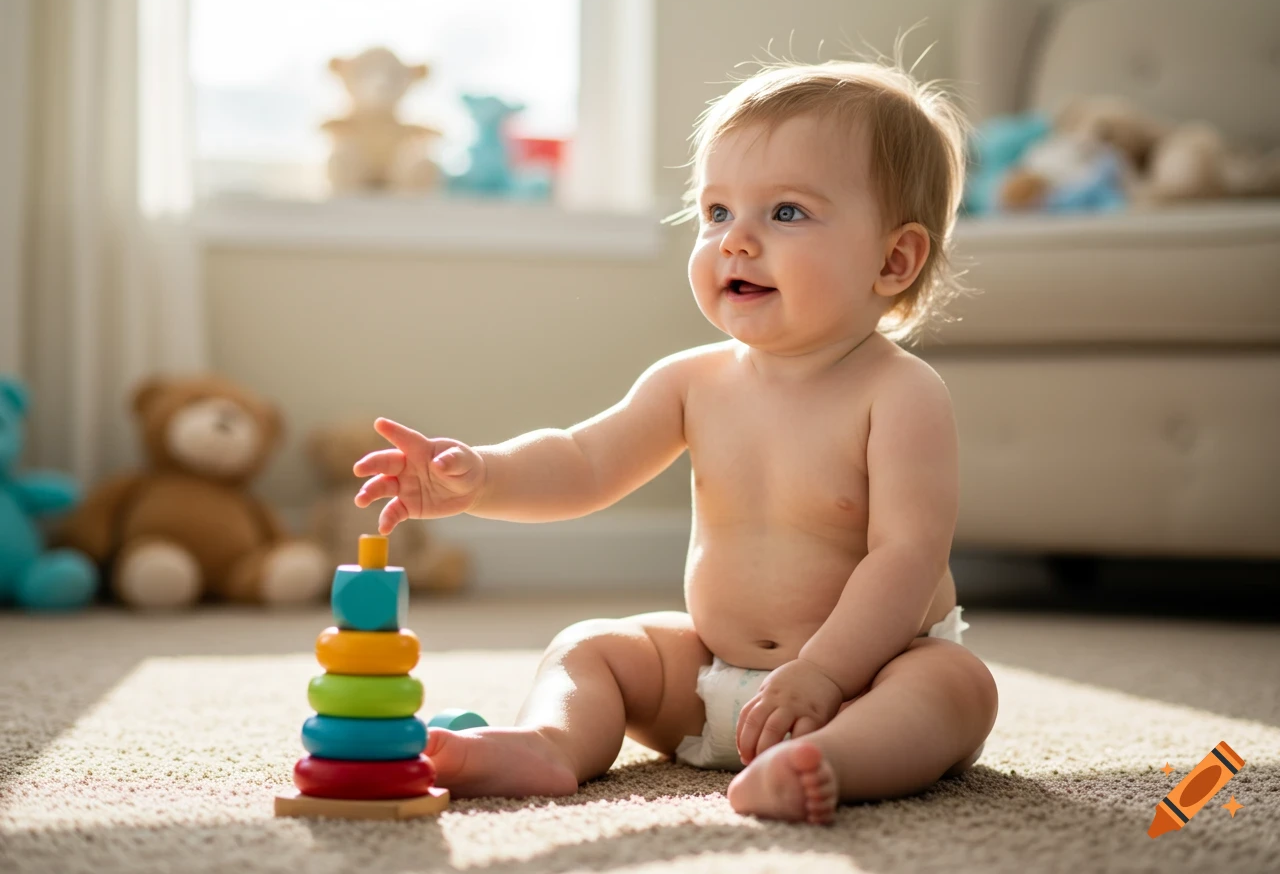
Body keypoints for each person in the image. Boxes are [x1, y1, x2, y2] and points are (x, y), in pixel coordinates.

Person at [353, 57, 998, 825]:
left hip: (865, 678)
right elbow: (583, 461)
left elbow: (907, 555)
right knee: (592, 646)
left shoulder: (901, 394)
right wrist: (481, 477)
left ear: (893, 259)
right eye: (717, 212)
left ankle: (826, 760)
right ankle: (551, 743)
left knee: (955, 688)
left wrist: (823, 673)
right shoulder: (692, 382)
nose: (736, 241)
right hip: (706, 676)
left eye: (785, 213)